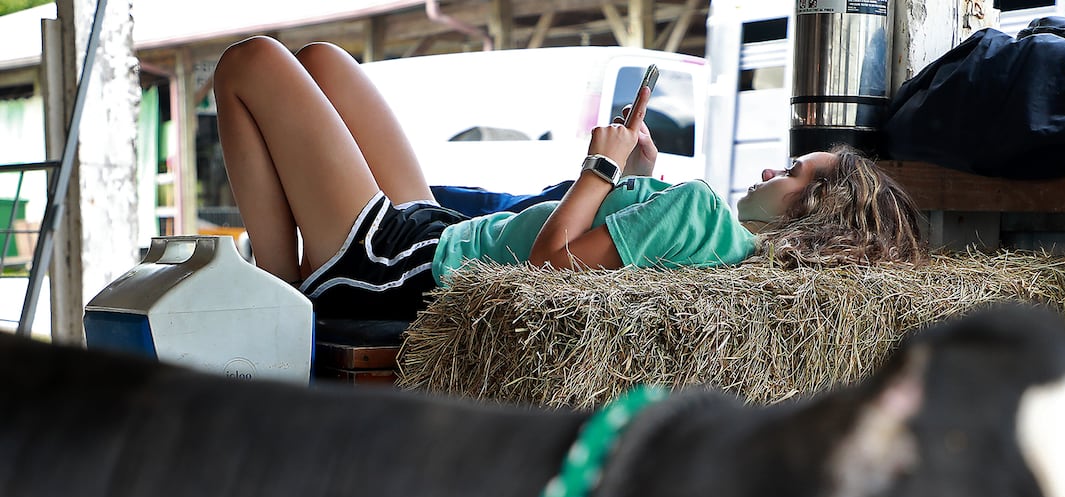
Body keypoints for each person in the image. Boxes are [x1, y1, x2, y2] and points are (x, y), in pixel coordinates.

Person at [213, 36, 924, 321]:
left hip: (397, 266)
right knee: (324, 60)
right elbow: (597, 248)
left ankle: (281, 301)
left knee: (250, 63)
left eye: (794, 172)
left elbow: (547, 268)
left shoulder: (710, 219)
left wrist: (601, 167)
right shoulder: (719, 242)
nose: (774, 167)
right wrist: (637, 176)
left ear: (810, 216)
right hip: (440, 239)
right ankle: (290, 292)